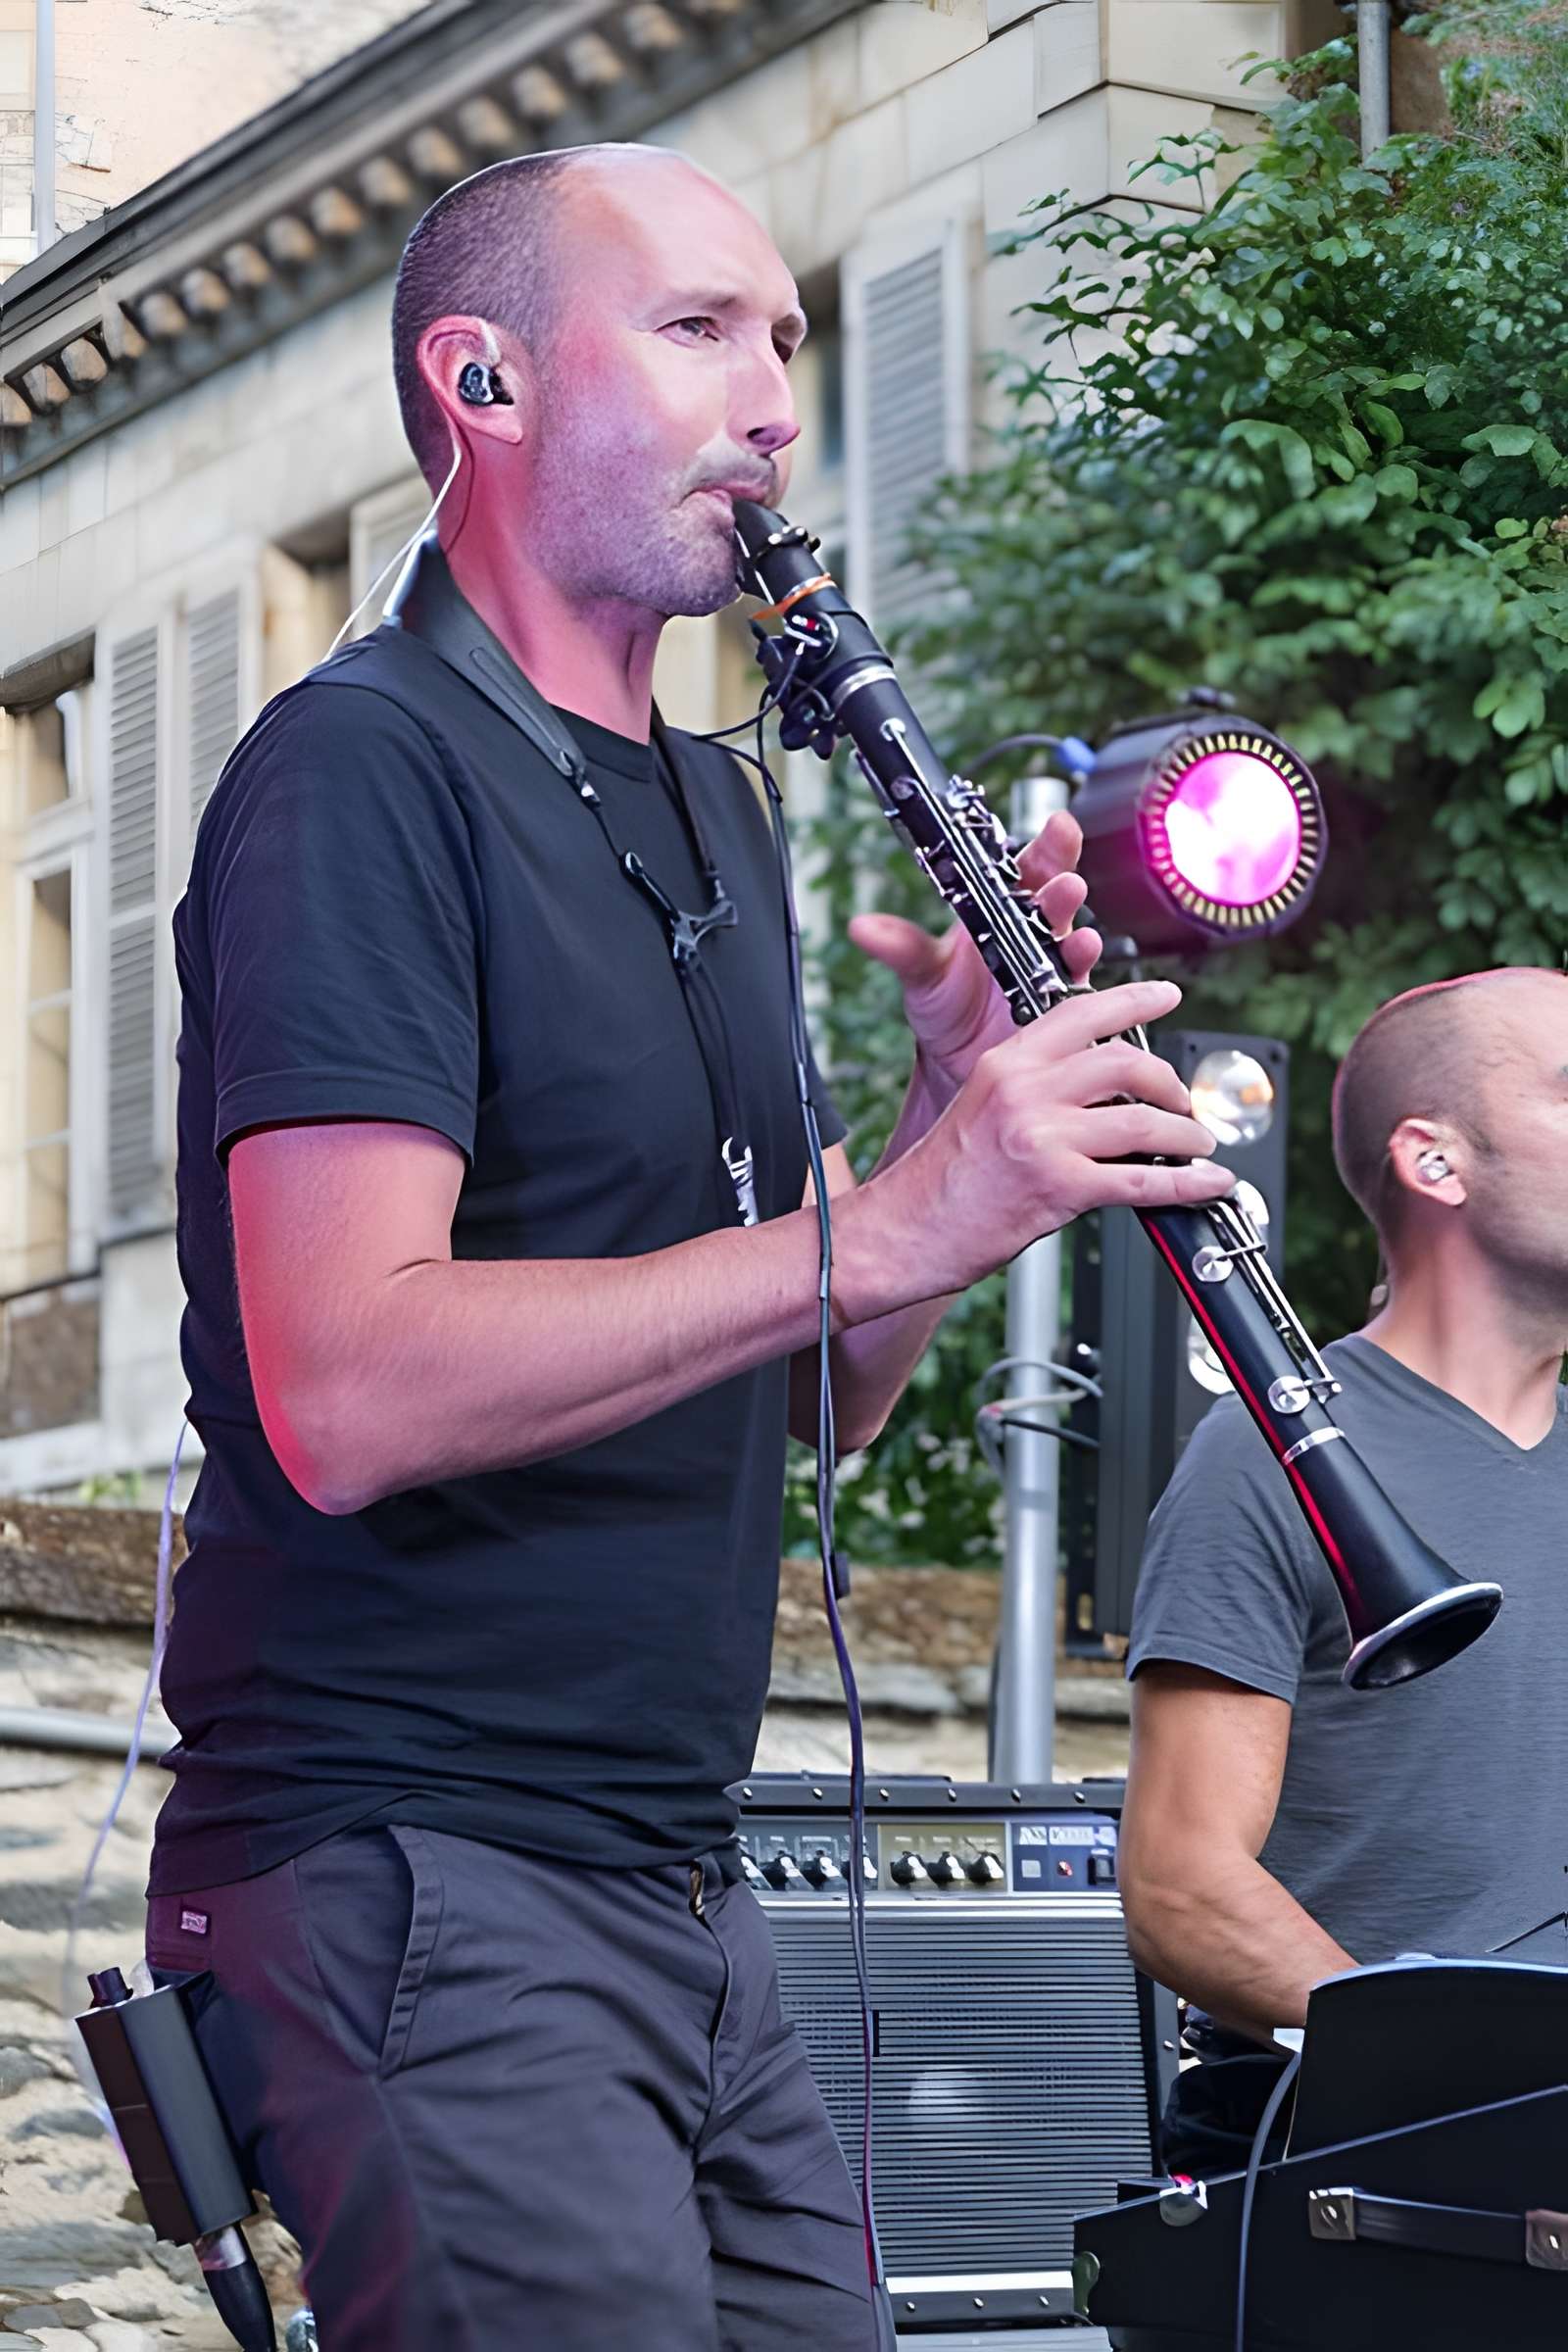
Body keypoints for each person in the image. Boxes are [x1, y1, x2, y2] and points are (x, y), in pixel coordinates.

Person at [143, 143, 1233, 2350]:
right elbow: (344, 1391)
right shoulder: (357, 771)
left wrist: (943, 1131)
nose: (769, 398)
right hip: (415, 1854)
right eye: (695, 330)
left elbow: (819, 1375)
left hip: (669, 1861)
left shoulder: (715, 804)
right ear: (485, 381)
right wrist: (906, 1211)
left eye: (787, 340)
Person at [1117, 965, 1568, 2178]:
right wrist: (1458, 2071)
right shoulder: (1264, 1460)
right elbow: (1179, 1881)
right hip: (1357, 2156)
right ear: (1436, 1163)